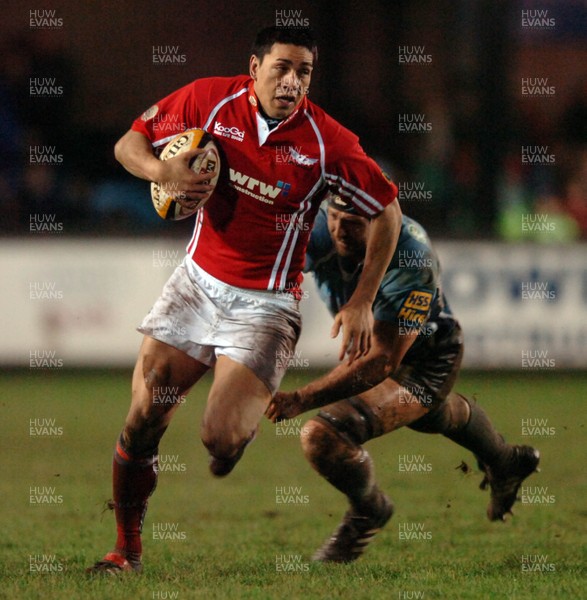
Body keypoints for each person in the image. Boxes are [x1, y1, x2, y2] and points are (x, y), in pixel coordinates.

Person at [86, 26, 402, 574]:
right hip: (196, 285)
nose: (292, 80)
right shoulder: (209, 100)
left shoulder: (328, 143)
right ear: (254, 67)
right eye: (282, 67)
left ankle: (231, 440)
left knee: (219, 438)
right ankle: (125, 551)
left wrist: (362, 298)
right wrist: (163, 170)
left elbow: (387, 210)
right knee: (143, 418)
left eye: (304, 71)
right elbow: (128, 143)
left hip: (266, 306)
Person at [266, 190, 540, 563]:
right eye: (333, 217)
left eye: (353, 223)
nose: (339, 230)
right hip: (380, 351)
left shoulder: (412, 255)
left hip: (428, 356)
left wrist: (303, 398)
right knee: (432, 416)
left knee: (325, 435)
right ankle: (506, 460)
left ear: (382, 221)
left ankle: (368, 510)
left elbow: (381, 362)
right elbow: (270, 270)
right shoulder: (320, 228)